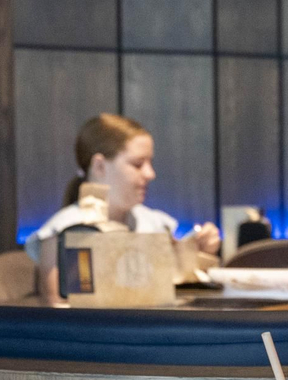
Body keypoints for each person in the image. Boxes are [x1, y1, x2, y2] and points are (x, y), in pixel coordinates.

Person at [25, 113, 221, 302]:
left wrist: (200, 252)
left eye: (150, 163)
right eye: (138, 164)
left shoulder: (154, 223)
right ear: (100, 166)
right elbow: (60, 307)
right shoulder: (66, 231)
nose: (150, 173)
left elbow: (182, 288)